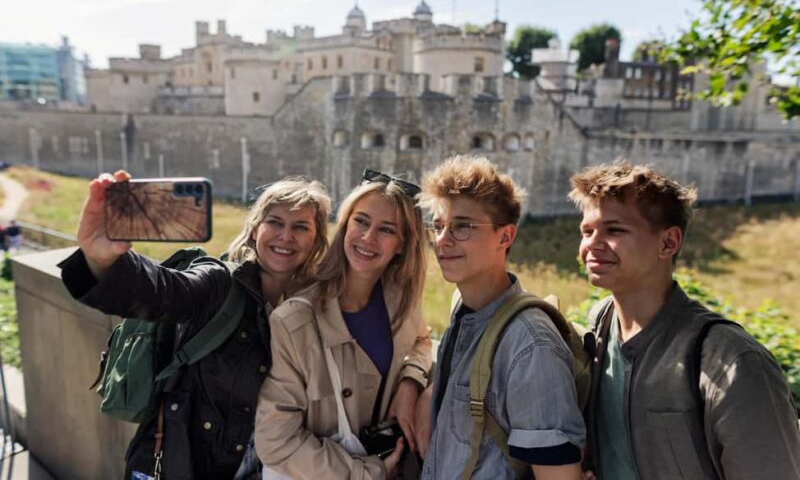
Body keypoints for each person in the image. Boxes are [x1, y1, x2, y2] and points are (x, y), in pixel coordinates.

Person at [59, 170, 331, 480]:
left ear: (316, 240)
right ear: (255, 229)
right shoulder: (219, 283)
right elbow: (164, 291)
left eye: (300, 227)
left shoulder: (313, 309)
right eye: (275, 222)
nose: (286, 235)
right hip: (180, 464)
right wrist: (102, 259)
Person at [570, 161, 800, 480]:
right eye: (587, 231)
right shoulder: (599, 326)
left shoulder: (733, 362)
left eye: (614, 230)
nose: (592, 245)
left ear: (668, 242)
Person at [254, 169, 432, 479]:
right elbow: (275, 441)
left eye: (387, 230)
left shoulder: (400, 300)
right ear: (345, 223)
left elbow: (421, 341)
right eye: (361, 221)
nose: (368, 238)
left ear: (403, 244)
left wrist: (411, 382)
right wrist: (365, 473)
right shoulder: (295, 321)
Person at [416, 156, 586, 480]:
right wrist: (428, 392)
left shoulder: (531, 344)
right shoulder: (464, 306)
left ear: (505, 237)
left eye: (462, 226)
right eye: (438, 226)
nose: (443, 240)